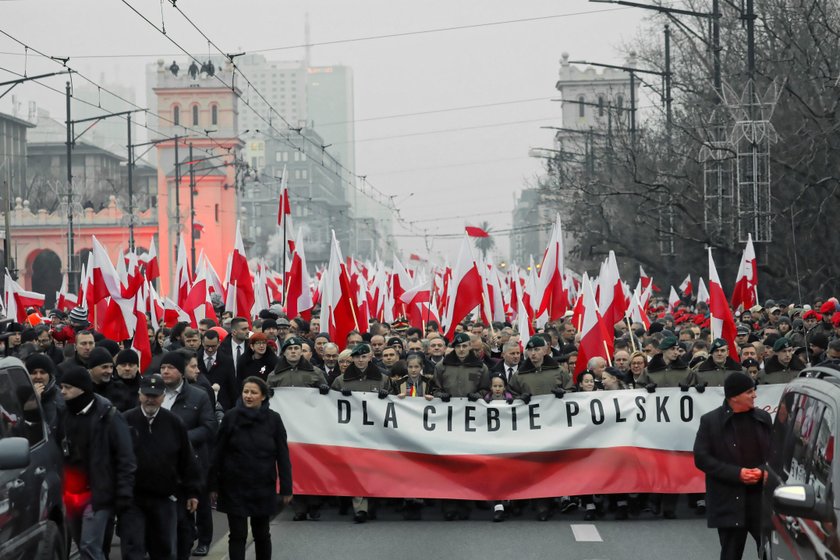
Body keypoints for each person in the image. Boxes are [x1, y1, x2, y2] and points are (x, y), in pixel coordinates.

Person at [209, 376, 293, 560]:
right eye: (245, 391)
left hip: (262, 485)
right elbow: (218, 453)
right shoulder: (231, 417)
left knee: (262, 533)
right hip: (233, 485)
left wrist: (286, 488)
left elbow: (283, 455)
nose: (248, 396)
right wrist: (213, 485)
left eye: (253, 392)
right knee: (237, 534)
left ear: (263, 396)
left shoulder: (274, 420)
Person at [58, 365, 136, 560]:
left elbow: (125, 457)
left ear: (82, 388)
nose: (63, 392)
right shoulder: (64, 415)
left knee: (89, 546)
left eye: (68, 387)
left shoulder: (108, 415)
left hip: (98, 493)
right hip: (72, 493)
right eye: (62, 387)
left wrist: (124, 493)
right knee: (82, 544)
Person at [121, 374, 201, 560]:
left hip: (164, 498)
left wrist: (192, 492)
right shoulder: (125, 421)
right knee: (134, 550)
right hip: (133, 498)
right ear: (140, 395)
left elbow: (186, 460)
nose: (150, 399)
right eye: (147, 394)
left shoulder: (174, 423)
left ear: (163, 397)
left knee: (164, 550)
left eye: (155, 395)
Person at [694, 372, 771, 560]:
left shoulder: (763, 418)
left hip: (759, 500)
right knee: (730, 554)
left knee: (770, 552)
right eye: (749, 392)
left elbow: (774, 454)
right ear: (734, 396)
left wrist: (762, 471)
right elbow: (702, 458)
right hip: (728, 500)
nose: (754, 395)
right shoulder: (711, 422)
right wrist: (737, 474)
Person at [159, 351, 217, 559]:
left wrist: (181, 439)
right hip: (163, 465)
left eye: (170, 368)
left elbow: (209, 427)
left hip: (193, 462)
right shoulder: (155, 393)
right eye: (163, 367)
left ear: (181, 372)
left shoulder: (198, 395)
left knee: (198, 503)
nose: (165, 371)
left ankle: (204, 540)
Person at [25, 352, 64, 435]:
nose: (38, 377)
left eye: (42, 372)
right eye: (34, 373)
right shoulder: (20, 396)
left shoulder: (60, 397)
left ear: (49, 375)